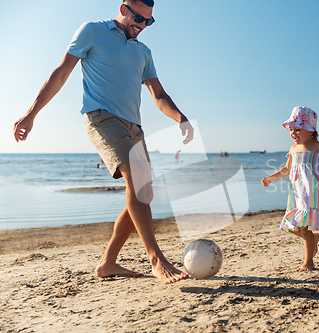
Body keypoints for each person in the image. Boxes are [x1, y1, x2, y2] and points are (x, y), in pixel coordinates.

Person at [13, 0, 193, 284]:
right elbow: (60, 73)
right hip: (102, 118)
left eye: (149, 21)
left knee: (144, 194)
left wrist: (180, 117)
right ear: (123, 9)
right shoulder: (92, 31)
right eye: (139, 18)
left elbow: (158, 94)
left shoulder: (143, 51)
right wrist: (30, 114)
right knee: (136, 183)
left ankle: (108, 263)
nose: (143, 26)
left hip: (135, 126)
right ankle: (156, 258)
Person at [261, 106, 319, 272]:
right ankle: (313, 237)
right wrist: (271, 178)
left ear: (311, 130)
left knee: (304, 227)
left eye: (297, 129)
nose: (293, 133)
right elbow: (287, 169)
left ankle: (308, 262)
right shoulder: (293, 149)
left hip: (314, 188)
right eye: (291, 130)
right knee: (293, 225)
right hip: (297, 190)